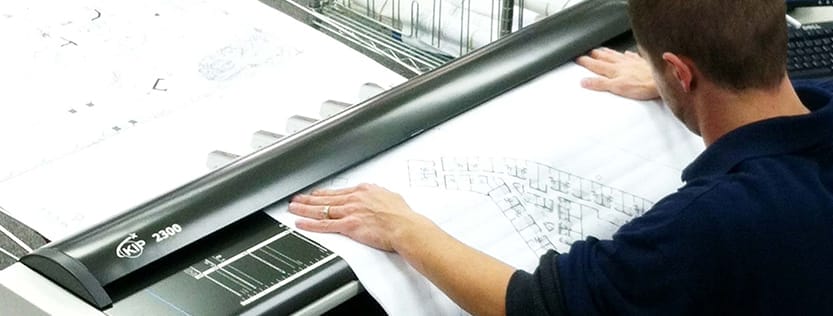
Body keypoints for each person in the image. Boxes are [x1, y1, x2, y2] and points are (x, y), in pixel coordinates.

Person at [288, 0, 833, 314]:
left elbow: (533, 307)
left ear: (681, 71)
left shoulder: (713, 219)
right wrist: (676, 82)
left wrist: (406, 228)